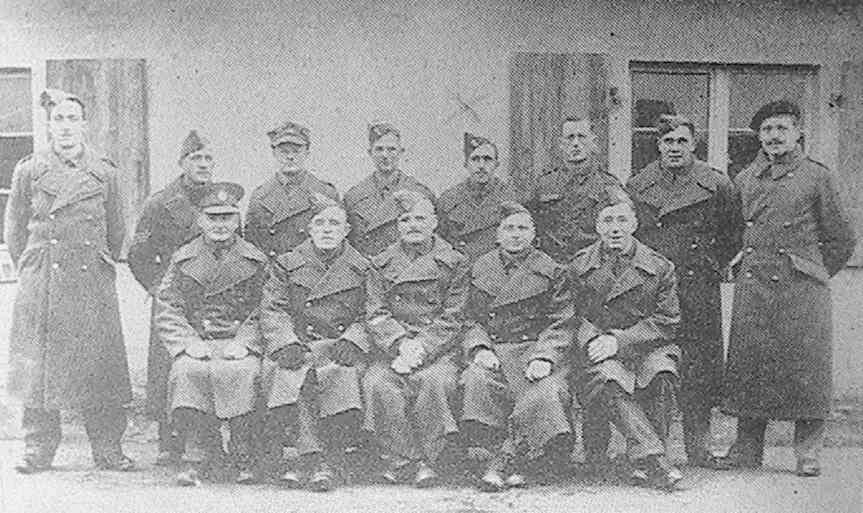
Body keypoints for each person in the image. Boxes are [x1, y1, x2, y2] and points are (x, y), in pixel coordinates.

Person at [719, 100, 856, 477]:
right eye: (767, 130)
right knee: (751, 366)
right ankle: (747, 450)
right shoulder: (745, 178)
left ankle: (807, 453)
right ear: (759, 137)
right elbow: (734, 231)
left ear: (798, 133)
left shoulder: (817, 177)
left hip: (802, 291)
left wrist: (813, 272)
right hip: (755, 286)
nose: (774, 137)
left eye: (782, 128)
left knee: (806, 371)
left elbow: (841, 237)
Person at [6, 89, 134, 473]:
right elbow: (14, 232)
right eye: (58, 119)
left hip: (90, 278)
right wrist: (33, 266)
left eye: (72, 119)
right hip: (44, 276)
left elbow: (116, 231)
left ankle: (108, 448)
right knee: (38, 366)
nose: (65, 127)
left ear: (84, 125)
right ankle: (38, 448)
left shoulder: (105, 172)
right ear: (49, 125)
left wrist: (92, 260)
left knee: (101, 363)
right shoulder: (29, 170)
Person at [543, 192, 684, 490]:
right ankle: (653, 459)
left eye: (622, 219)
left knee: (661, 373)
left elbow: (667, 320)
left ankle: (642, 462)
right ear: (597, 226)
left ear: (634, 223)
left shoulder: (660, 266)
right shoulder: (579, 267)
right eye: (607, 220)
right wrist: (597, 340)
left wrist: (620, 341)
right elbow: (569, 317)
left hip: (647, 346)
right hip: (596, 347)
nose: (615, 228)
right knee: (609, 377)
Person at [626, 115, 742, 467]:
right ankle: (650, 448)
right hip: (655, 288)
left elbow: (733, 235)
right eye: (667, 142)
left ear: (694, 144)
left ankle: (698, 448)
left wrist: (708, 264)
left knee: (699, 370)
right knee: (653, 363)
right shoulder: (639, 184)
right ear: (658, 145)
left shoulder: (717, 184)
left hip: (697, 286)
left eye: (681, 141)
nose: (674, 148)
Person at [155, 182, 268, 486]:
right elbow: (167, 305)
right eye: (213, 217)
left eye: (227, 217)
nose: (220, 225)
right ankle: (198, 452)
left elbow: (266, 308)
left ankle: (243, 451)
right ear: (201, 220)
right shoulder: (183, 259)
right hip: (200, 341)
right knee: (187, 371)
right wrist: (187, 342)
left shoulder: (255, 260)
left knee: (243, 372)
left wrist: (245, 342)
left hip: (237, 342)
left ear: (237, 220)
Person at [259, 195, 370, 491]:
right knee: (294, 373)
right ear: (308, 229)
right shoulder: (287, 264)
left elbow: (370, 312)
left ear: (347, 230)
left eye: (334, 223)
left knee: (336, 374)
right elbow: (273, 307)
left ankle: (325, 459)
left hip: (339, 347)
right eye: (319, 223)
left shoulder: (362, 267)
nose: (326, 229)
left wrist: (353, 339)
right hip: (298, 344)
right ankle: (312, 459)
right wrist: (285, 341)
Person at [460, 202, 573, 491]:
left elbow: (562, 321)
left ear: (534, 234)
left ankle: (511, 461)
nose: (515, 235)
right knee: (476, 378)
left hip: (534, 351)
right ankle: (498, 457)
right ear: (497, 234)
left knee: (545, 390)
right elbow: (469, 318)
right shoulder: (479, 267)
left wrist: (545, 357)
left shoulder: (551, 269)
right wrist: (479, 348)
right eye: (509, 228)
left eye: (523, 228)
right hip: (495, 351)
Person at [361, 190, 469, 487]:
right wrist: (400, 344)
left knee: (435, 382)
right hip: (393, 348)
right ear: (397, 226)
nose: (412, 225)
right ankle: (402, 460)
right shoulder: (380, 263)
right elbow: (375, 313)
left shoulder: (455, 262)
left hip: (437, 347)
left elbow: (454, 315)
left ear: (434, 222)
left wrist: (421, 347)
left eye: (420, 218)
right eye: (405, 219)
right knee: (377, 382)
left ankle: (429, 460)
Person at [128, 130, 215, 465]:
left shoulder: (221, 199)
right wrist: (156, 287)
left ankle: (205, 438)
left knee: (204, 365)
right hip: (173, 299)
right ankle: (169, 442)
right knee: (167, 367)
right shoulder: (160, 202)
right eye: (196, 159)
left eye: (208, 159)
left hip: (209, 296)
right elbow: (138, 252)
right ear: (182, 163)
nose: (203, 165)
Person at [527, 117, 623, 264]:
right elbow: (529, 226)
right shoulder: (544, 184)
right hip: (552, 266)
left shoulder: (608, 185)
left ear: (593, 142)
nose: (576, 143)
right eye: (570, 138)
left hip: (593, 267)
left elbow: (621, 231)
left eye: (582, 137)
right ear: (561, 144)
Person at [245, 121, 339, 259]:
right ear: (274, 154)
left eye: (296, 151)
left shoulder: (325, 193)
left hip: (309, 273)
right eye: (284, 152)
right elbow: (251, 245)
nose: (290, 157)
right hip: (273, 275)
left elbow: (337, 242)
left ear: (307, 153)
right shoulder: (259, 196)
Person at [344, 122, 435, 256]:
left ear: (401, 152)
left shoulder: (420, 193)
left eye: (391, 149)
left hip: (406, 270)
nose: (385, 155)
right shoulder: (354, 197)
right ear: (370, 153)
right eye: (379, 149)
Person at [438, 133, 518, 260]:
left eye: (487, 159)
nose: (481, 166)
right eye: (475, 159)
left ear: (496, 164)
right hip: (460, 267)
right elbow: (439, 241)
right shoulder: (449, 199)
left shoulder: (510, 197)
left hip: (497, 268)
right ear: (466, 164)